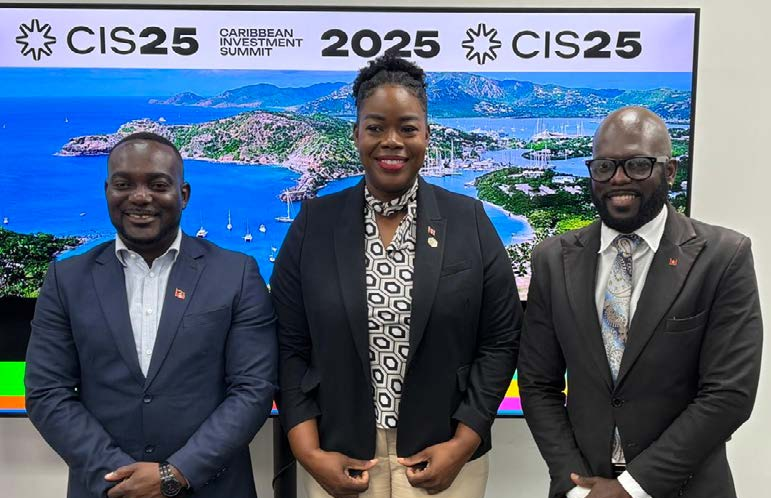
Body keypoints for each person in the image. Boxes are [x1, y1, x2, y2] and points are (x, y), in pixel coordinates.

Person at [270, 54, 522, 498]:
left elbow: (500, 341)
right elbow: (288, 344)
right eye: (375, 128)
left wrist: (464, 442)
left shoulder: (469, 221)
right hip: (338, 455)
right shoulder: (313, 224)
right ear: (356, 134)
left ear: (426, 135)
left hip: (444, 456)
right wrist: (307, 450)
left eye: (407, 128)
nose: (391, 142)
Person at [518, 106, 763, 498]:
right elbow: (537, 384)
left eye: (637, 164)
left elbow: (728, 394)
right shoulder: (552, 259)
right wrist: (575, 484)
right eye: (604, 166)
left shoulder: (723, 257)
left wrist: (632, 487)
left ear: (670, 170)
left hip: (688, 488)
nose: (618, 179)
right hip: (584, 489)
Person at [25, 132, 278, 498]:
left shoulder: (237, 273)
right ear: (107, 191)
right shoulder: (66, 279)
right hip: (106, 489)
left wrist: (175, 474)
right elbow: (47, 392)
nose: (140, 197)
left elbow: (254, 389)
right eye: (123, 184)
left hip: (212, 488)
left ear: (184, 194)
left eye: (158, 185)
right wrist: (121, 478)